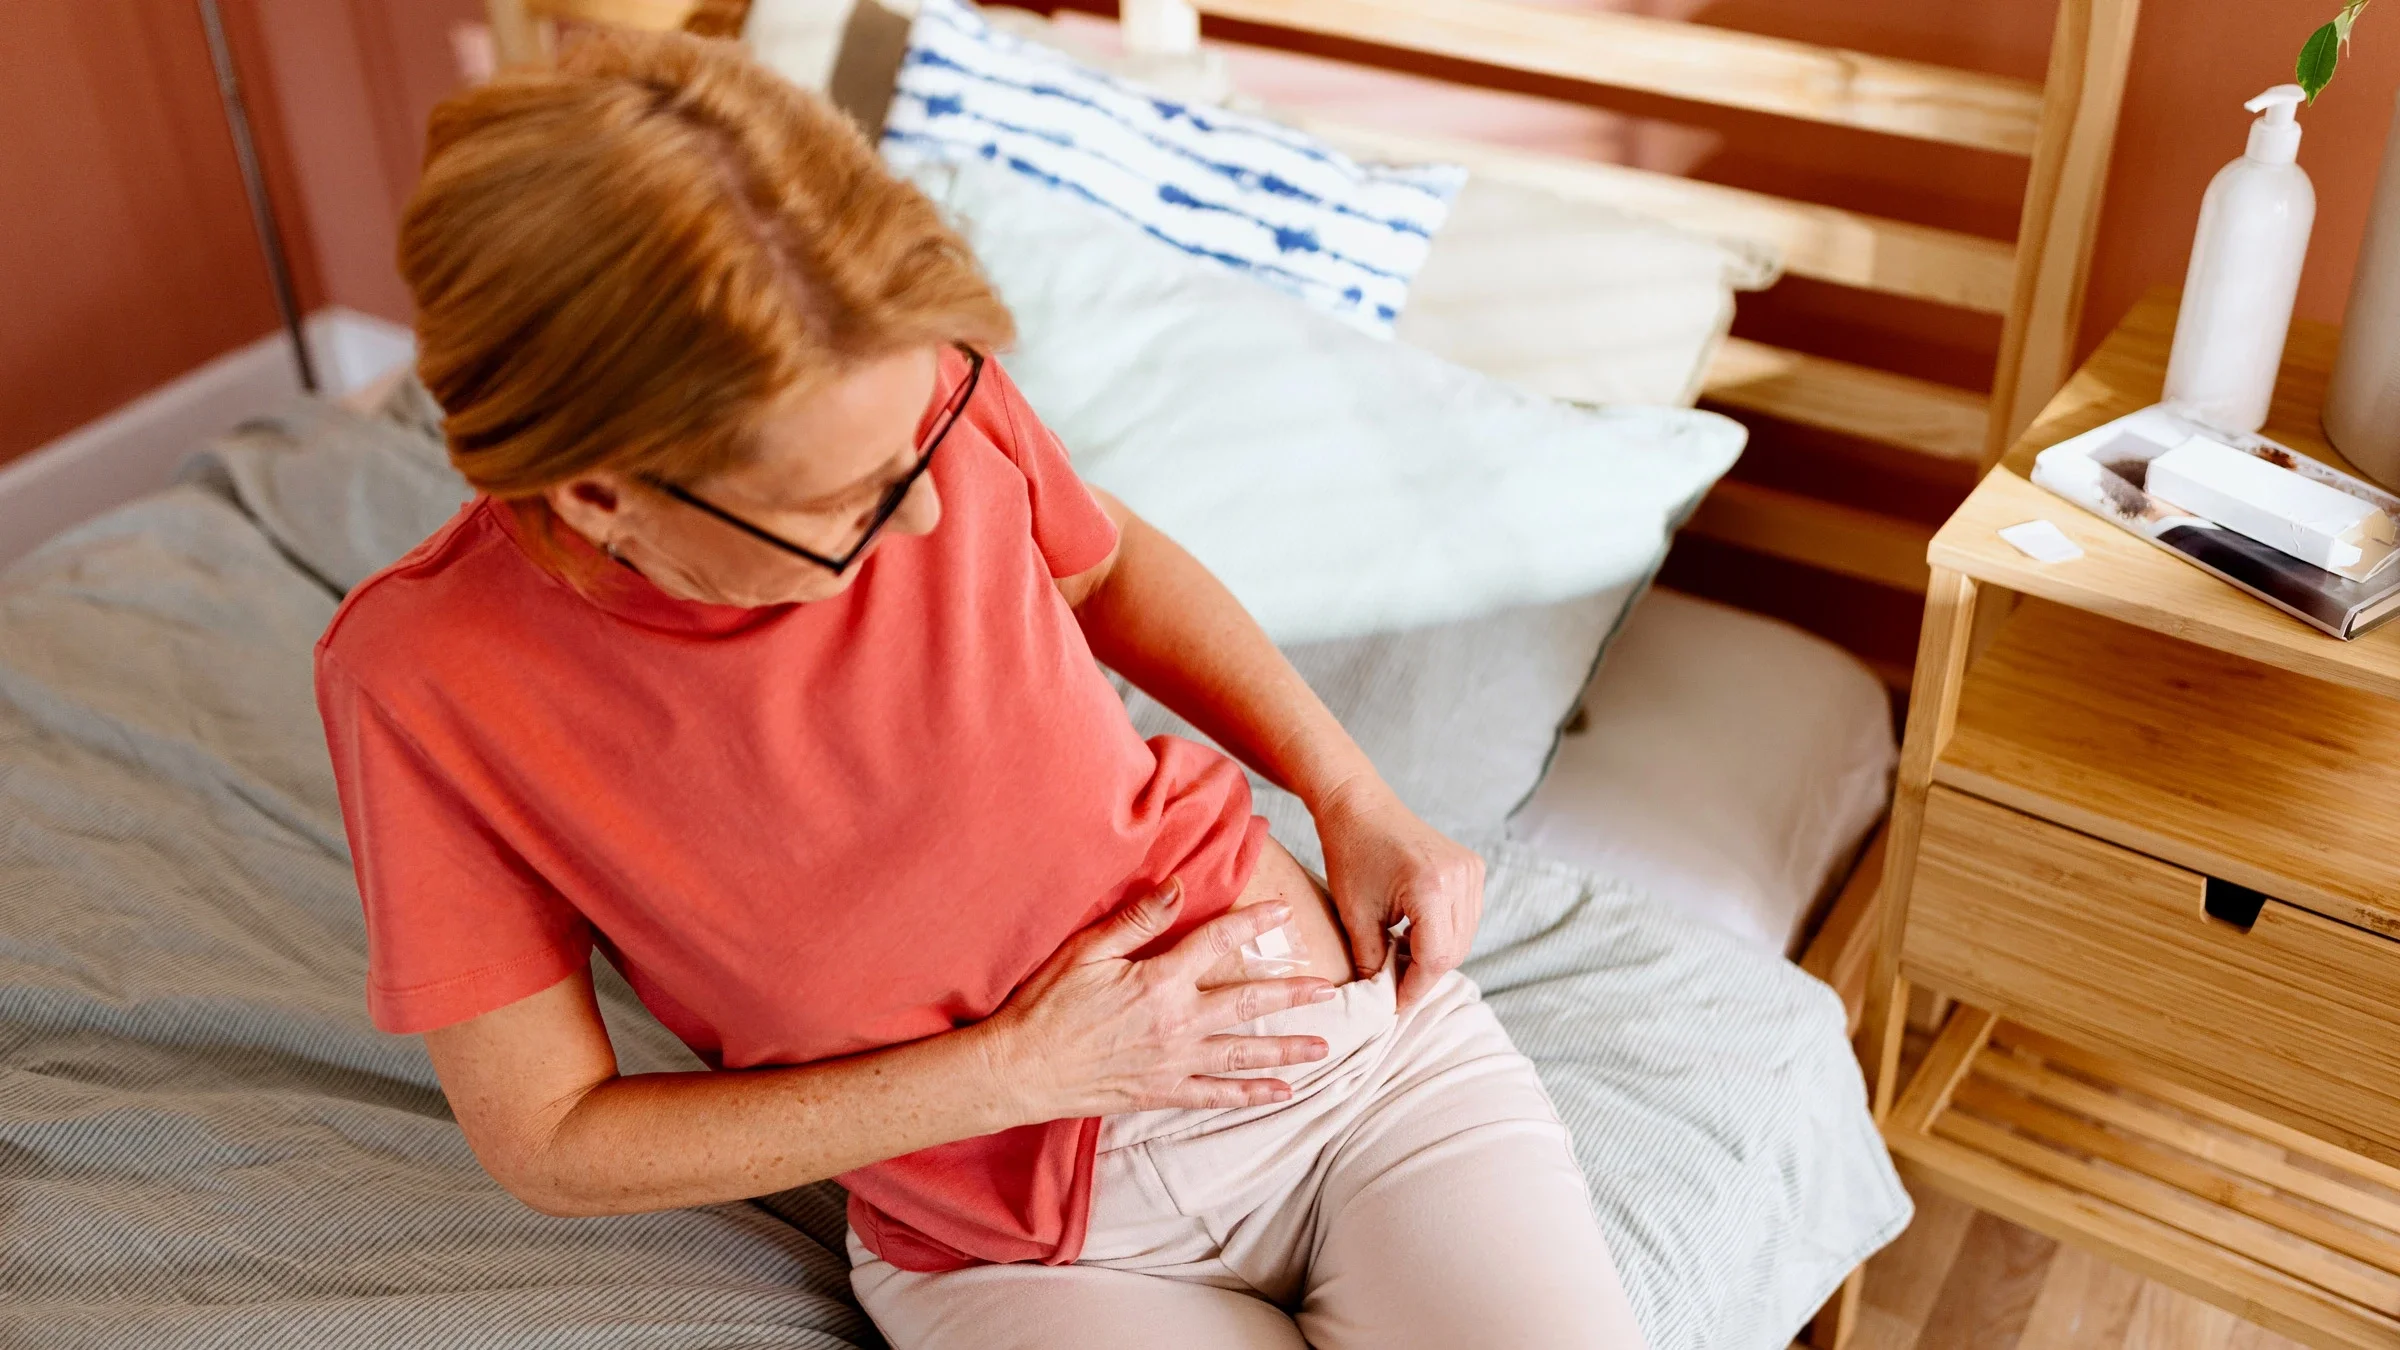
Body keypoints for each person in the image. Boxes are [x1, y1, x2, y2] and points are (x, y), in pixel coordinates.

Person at [316, 29, 1644, 1350]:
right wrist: (1018, 1069)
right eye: (851, 500)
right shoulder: (427, 686)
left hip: (1347, 1077)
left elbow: (1107, 567)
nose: (935, 509)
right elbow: (552, 1137)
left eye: (927, 435)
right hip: (1008, 1251)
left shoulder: (911, 395)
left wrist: (1351, 790)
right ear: (600, 494)